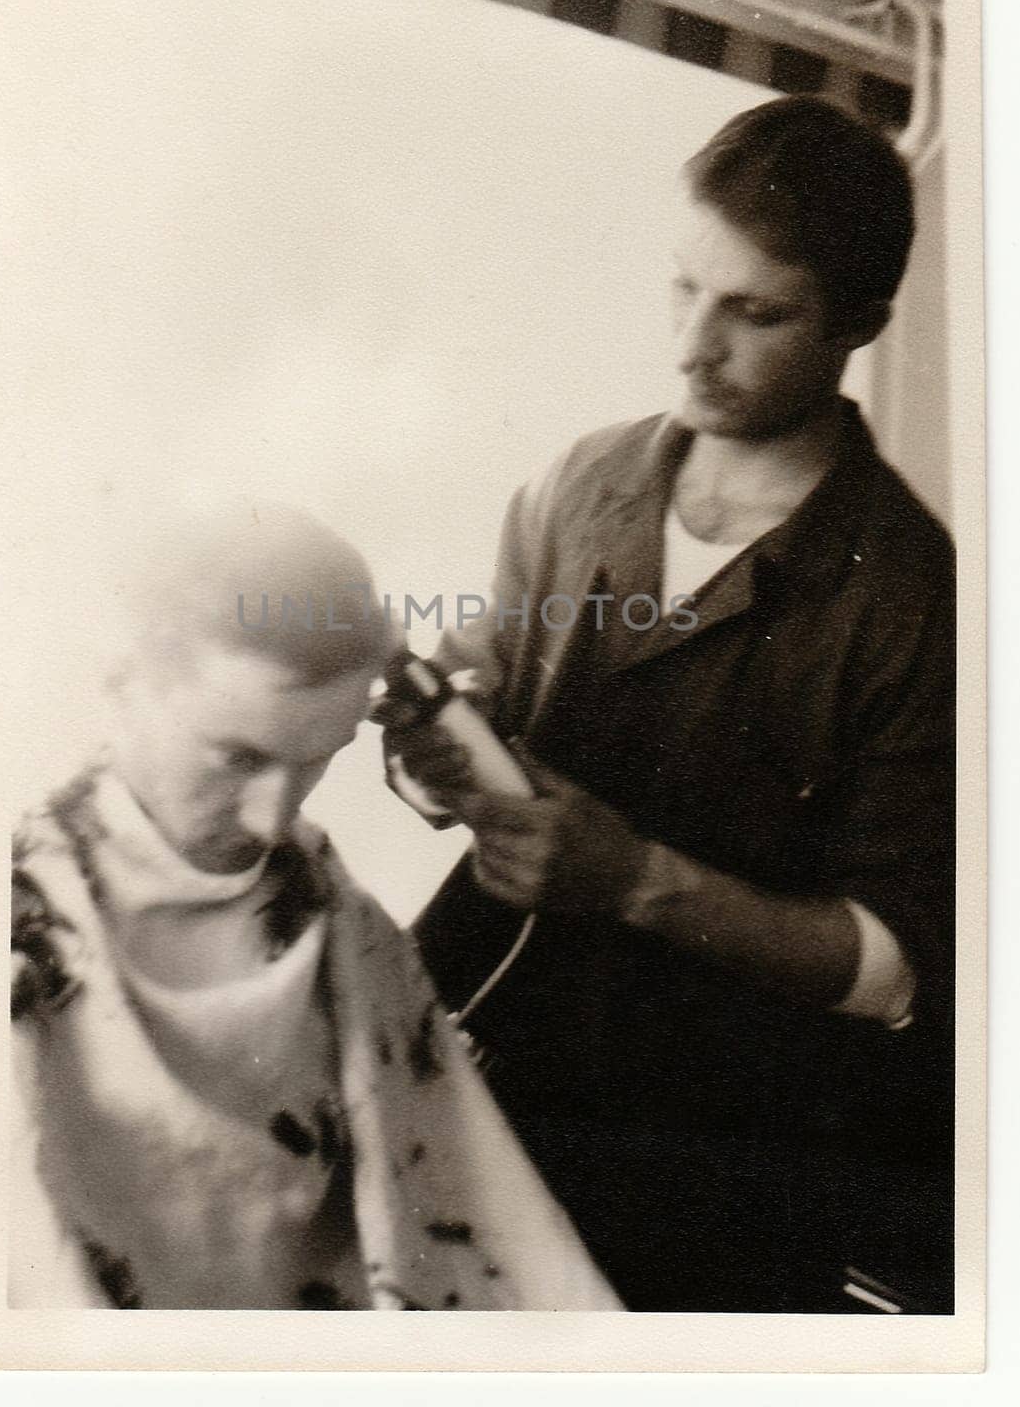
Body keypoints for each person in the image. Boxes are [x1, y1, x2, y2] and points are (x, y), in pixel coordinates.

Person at [385, 96, 956, 1313]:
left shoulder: (918, 597)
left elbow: (894, 968)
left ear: (860, 323)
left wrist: (636, 876)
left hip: (701, 1170)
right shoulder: (578, 479)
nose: (695, 346)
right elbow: (491, 675)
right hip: (469, 1063)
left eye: (756, 313)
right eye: (683, 288)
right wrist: (435, 757)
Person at [9, 502, 619, 1311]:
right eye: (238, 758)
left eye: (316, 761)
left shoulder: (321, 895)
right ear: (121, 681)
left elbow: (500, 1232)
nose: (272, 818)